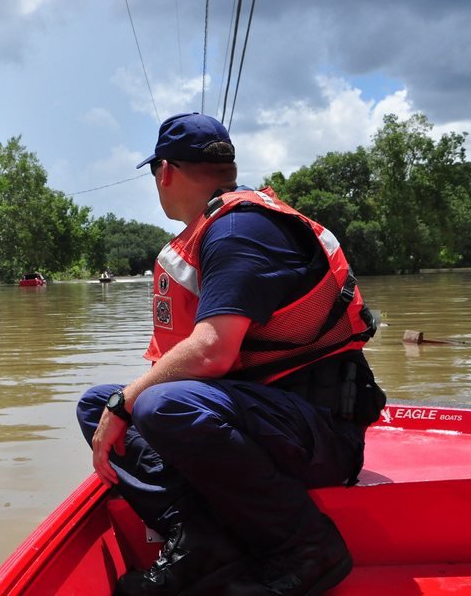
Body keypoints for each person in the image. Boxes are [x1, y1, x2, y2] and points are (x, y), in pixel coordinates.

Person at [76, 112, 385, 595]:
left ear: (165, 171)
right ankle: (200, 542)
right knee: (97, 404)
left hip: (319, 432)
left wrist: (126, 402)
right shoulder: (222, 227)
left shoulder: (239, 229)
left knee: (155, 404)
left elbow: (212, 353)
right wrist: (117, 405)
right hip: (268, 423)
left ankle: (306, 549)